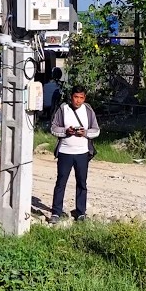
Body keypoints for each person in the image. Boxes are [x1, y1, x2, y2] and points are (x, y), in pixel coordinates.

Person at [49, 85, 100, 223]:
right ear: (71, 97)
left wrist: (85, 133)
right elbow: (53, 128)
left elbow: (96, 130)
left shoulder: (88, 110)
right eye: (75, 97)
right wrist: (66, 131)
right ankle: (56, 212)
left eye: (81, 98)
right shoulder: (63, 109)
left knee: (82, 183)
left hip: (82, 153)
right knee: (61, 182)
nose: (78, 100)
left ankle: (81, 212)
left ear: (85, 98)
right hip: (65, 152)